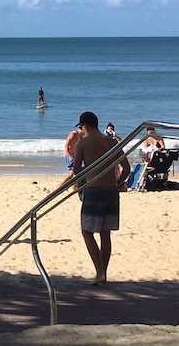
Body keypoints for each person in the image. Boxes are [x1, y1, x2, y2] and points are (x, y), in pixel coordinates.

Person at [72, 111, 130, 285]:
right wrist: (118, 183)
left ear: (86, 126)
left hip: (94, 190)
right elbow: (126, 168)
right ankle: (102, 273)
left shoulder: (83, 144)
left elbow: (76, 171)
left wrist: (85, 179)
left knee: (87, 232)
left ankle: (100, 272)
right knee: (105, 233)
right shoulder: (112, 142)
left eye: (82, 127)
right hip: (111, 191)